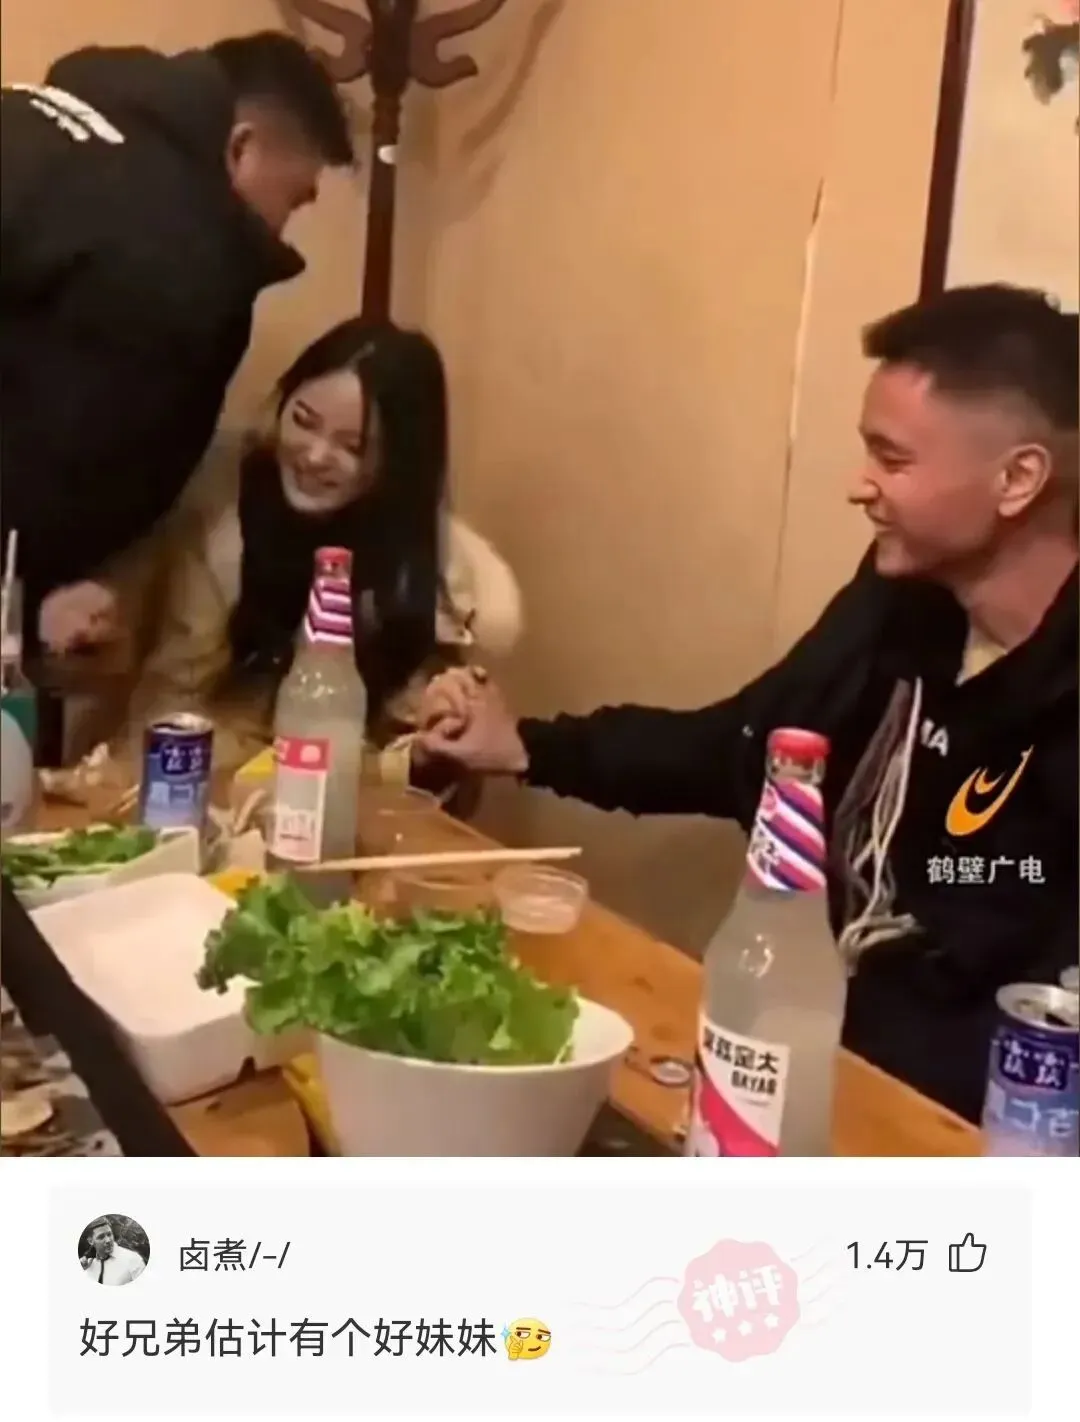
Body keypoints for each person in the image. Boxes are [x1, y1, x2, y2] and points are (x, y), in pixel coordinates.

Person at [418, 284, 1079, 1124]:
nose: (860, 486)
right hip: (808, 1067)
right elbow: (745, 745)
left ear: (1018, 478)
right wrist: (526, 747)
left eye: (893, 460)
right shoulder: (904, 605)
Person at [0, 31, 353, 655]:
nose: (282, 229)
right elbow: (70, 466)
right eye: (294, 200)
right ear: (241, 147)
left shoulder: (30, 116)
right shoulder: (182, 261)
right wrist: (34, 604)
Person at [116, 319, 522, 786]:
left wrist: (433, 738)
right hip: (209, 778)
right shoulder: (222, 517)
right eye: (303, 421)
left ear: (399, 459)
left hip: (354, 794)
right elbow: (172, 698)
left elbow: (413, 754)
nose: (314, 456)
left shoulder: (436, 580)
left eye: (351, 446)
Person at [79, 1217, 146, 1285]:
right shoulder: (87, 1264)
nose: (108, 1240)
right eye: (101, 1237)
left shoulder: (133, 1259)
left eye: (109, 1234)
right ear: (90, 1241)